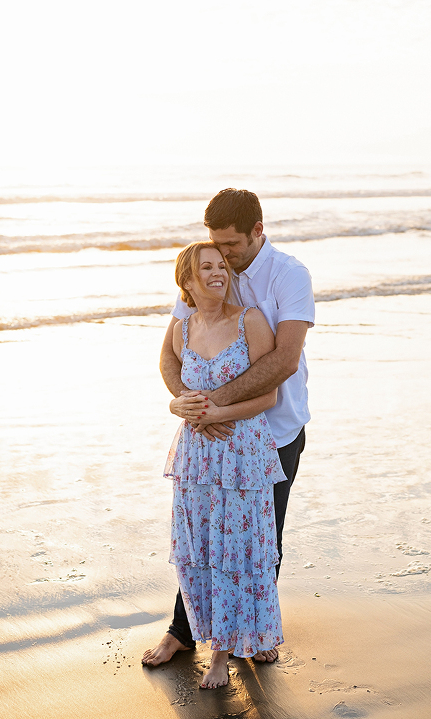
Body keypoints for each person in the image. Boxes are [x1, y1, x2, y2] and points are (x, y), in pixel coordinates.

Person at [142, 188, 315, 668]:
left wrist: (211, 406)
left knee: (261, 538)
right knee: (200, 535)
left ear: (258, 232)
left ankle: (255, 632)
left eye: (232, 246)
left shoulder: (290, 276)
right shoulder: (212, 271)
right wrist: (183, 400)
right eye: (215, 245)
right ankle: (184, 630)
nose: (223, 257)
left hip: (274, 433)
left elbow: (283, 360)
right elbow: (170, 353)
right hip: (208, 439)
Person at [162, 240, 287, 689]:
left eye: (221, 265)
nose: (218, 272)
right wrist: (181, 405)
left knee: (238, 553)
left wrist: (213, 413)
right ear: (188, 282)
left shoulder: (250, 321)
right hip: (195, 457)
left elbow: (268, 394)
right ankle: (207, 634)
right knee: (200, 554)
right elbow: (170, 370)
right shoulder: (182, 327)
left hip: (242, 453)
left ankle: (222, 654)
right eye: (206, 268)